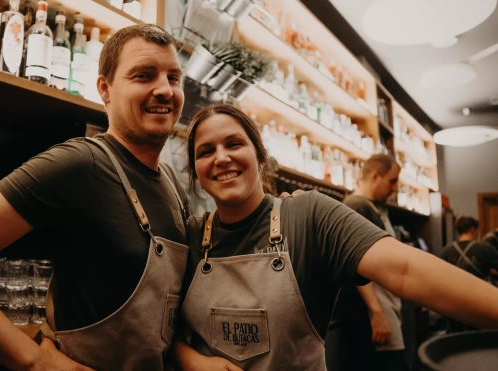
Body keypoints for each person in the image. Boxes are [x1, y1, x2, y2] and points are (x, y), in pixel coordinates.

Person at [0, 24, 190, 371]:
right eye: (144, 76)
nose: (164, 90)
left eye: (173, 78)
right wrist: (33, 359)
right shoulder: (82, 163)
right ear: (105, 89)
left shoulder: (171, 184)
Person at [171, 103, 498, 370]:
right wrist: (192, 361)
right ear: (197, 172)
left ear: (259, 156)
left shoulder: (308, 215)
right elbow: (155, 329)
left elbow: (405, 269)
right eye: (205, 151)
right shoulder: (190, 234)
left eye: (234, 143)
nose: (221, 157)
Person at [326, 154, 408, 371]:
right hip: (370, 314)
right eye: (392, 181)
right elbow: (353, 262)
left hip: (384, 308)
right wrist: (377, 312)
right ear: (375, 176)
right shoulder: (356, 205)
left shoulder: (371, 207)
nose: (395, 188)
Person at [440, 216, 498, 333]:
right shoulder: (484, 248)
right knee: (479, 336)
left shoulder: (447, 250)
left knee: (456, 337)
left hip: (454, 301)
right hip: (479, 300)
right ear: (472, 229)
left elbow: (439, 276)